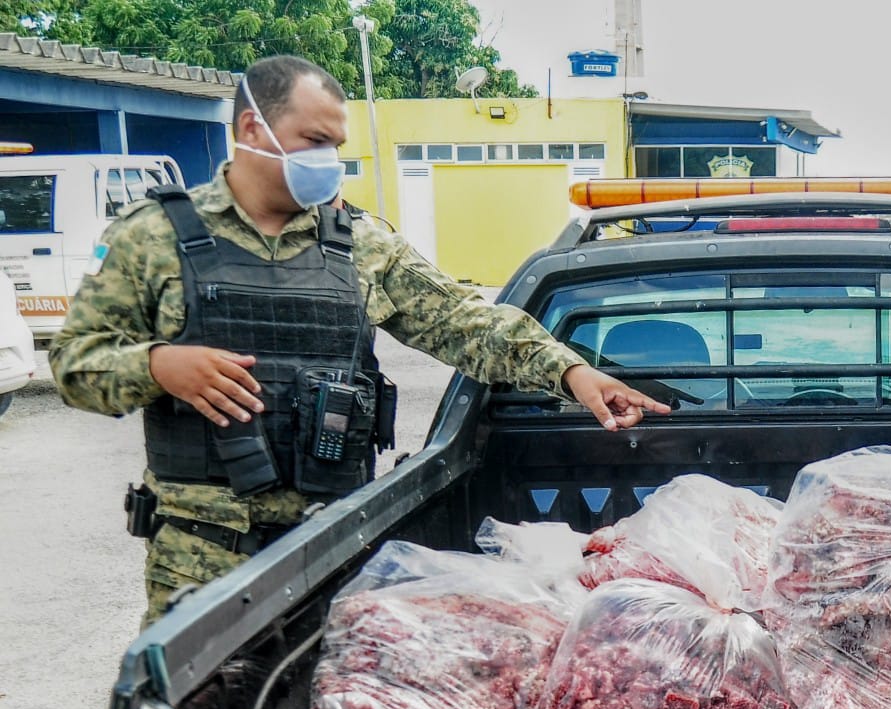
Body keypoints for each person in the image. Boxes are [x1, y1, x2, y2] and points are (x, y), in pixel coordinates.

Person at [50, 54, 670, 626]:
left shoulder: (361, 244)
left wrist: (571, 373)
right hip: (199, 557)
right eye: (314, 142)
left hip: (331, 543)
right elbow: (75, 364)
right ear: (252, 128)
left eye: (336, 146)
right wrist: (158, 366)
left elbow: (465, 321)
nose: (329, 161)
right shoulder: (153, 236)